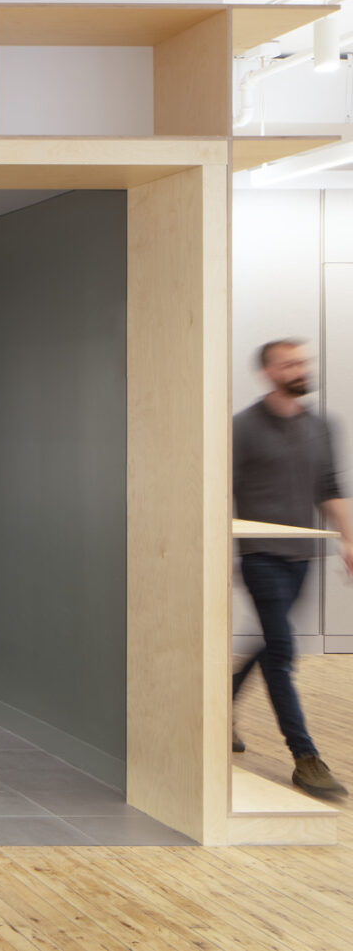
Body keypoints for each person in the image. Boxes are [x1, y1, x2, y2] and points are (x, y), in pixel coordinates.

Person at [231, 339, 353, 800]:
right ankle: (305, 757)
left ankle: (221, 705)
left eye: (302, 361)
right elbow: (221, 490)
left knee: (269, 640)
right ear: (268, 373)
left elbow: (330, 486)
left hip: (302, 556)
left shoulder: (322, 426)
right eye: (289, 363)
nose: (300, 368)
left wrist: (348, 537)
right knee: (281, 650)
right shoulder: (242, 428)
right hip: (260, 556)